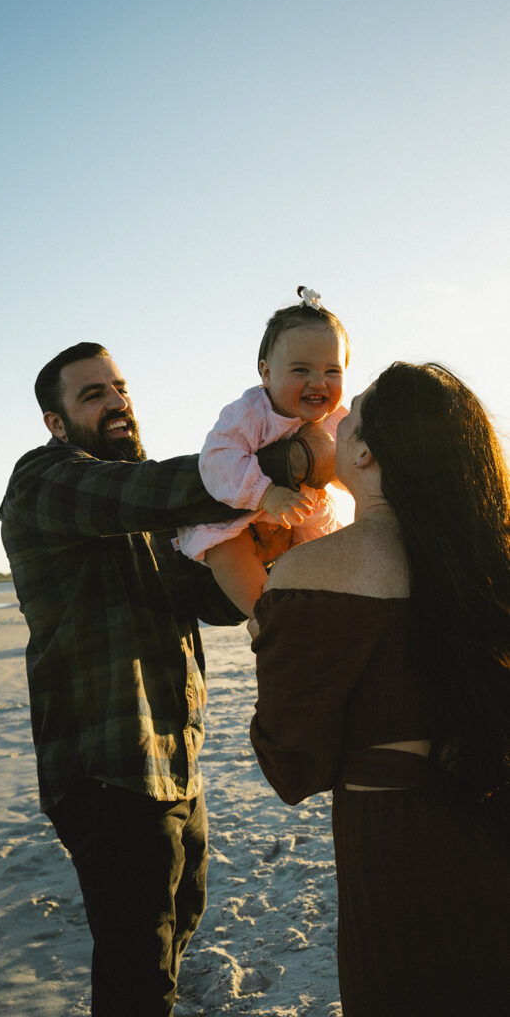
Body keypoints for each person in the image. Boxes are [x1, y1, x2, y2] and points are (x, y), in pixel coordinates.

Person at [0, 341, 331, 1017]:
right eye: (92, 395)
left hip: (175, 763)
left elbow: (204, 598)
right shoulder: (44, 481)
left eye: (119, 388)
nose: (118, 402)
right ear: (55, 424)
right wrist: (286, 458)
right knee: (136, 971)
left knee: (177, 927)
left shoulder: (151, 520)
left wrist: (267, 535)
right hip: (105, 769)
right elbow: (148, 491)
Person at [249, 362, 510, 1016]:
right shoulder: (491, 565)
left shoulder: (311, 569)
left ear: (364, 451)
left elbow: (291, 765)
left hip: (398, 856)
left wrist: (269, 630)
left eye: (349, 413)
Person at [178, 287, 349, 617]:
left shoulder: (338, 419)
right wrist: (266, 494)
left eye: (332, 371)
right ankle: (266, 617)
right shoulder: (249, 413)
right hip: (240, 515)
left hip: (301, 515)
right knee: (225, 548)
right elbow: (218, 459)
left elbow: (352, 462)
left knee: (327, 553)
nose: (319, 382)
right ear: (267, 373)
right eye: (301, 370)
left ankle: (322, 614)